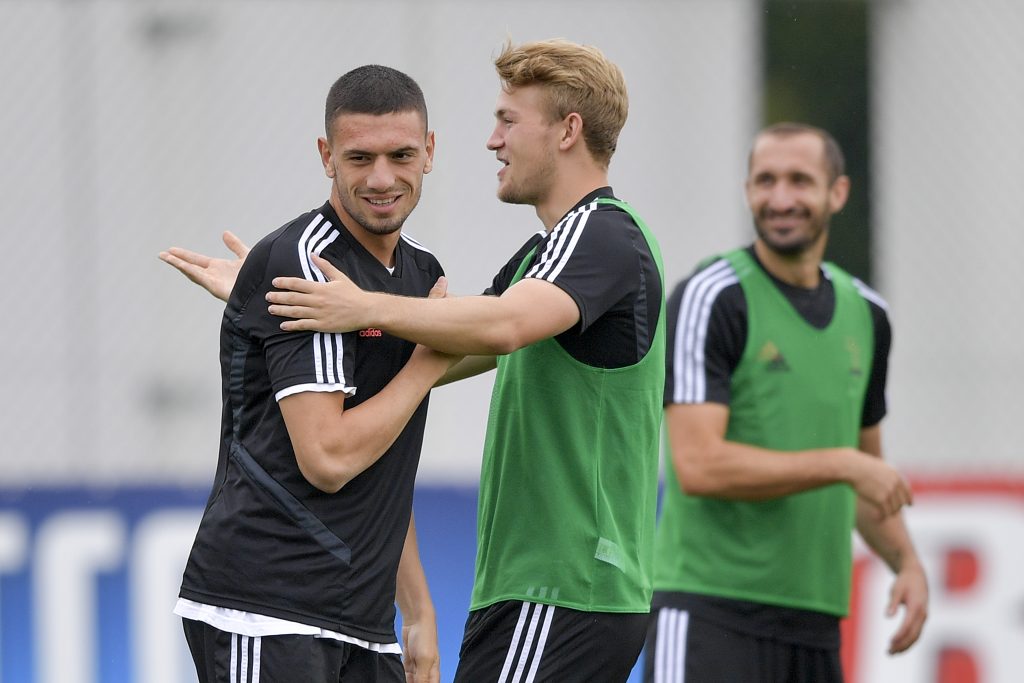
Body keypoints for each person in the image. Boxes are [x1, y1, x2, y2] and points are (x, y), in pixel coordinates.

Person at [240, 39, 665, 682]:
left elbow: (502, 325)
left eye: (508, 121)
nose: (493, 141)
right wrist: (279, 303)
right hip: (540, 588)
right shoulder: (548, 253)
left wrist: (363, 306)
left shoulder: (602, 233)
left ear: (567, 131)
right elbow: (438, 349)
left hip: (564, 584)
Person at [159, 65, 456, 683]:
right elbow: (329, 457)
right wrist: (429, 359)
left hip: (362, 620)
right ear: (326, 156)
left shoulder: (421, 273)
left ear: (429, 151)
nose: (382, 178)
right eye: (359, 158)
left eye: (401, 155)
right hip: (266, 607)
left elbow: (382, 457)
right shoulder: (305, 263)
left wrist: (418, 611)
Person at [643, 122, 929, 683]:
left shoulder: (868, 315)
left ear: (837, 193)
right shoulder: (711, 296)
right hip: (709, 611)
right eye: (765, 181)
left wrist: (908, 563)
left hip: (816, 626)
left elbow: (869, 481)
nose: (780, 199)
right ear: (747, 190)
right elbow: (698, 465)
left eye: (799, 180)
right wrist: (841, 464)